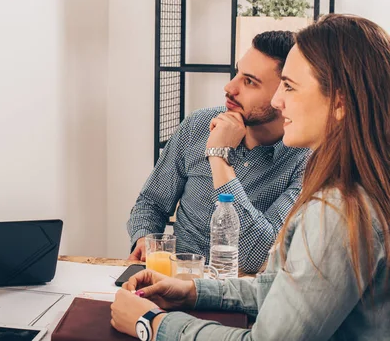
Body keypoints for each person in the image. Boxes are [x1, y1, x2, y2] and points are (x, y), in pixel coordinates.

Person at [112, 14, 390, 340]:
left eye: (289, 86)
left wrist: (152, 325)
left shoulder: (338, 210)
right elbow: (285, 286)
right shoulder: (349, 188)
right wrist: (193, 290)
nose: (278, 101)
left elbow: (259, 268)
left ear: (340, 103)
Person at [128, 31, 310, 273]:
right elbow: (151, 202)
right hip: (174, 278)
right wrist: (144, 239)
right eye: (237, 73)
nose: (229, 87)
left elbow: (256, 255)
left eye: (249, 82)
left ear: (283, 93)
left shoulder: (305, 160)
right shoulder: (198, 125)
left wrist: (218, 156)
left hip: (241, 293)